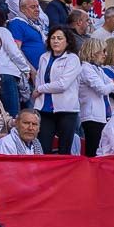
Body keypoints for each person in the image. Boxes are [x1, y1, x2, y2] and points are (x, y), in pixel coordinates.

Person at [78, 37, 114, 157]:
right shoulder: (85, 69)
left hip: (102, 116)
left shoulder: (97, 69)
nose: (105, 54)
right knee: (93, 152)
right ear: (94, 52)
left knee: (100, 152)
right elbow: (103, 90)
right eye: (103, 51)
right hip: (91, 116)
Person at [33, 25, 82, 154]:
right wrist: (39, 89)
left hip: (66, 109)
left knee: (64, 149)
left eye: (59, 38)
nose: (55, 41)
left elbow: (62, 85)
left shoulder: (73, 59)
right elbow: (39, 78)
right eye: (53, 38)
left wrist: (40, 89)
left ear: (67, 41)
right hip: (44, 109)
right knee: (43, 147)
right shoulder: (44, 57)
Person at [0, 8, 30, 117]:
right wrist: (26, 69)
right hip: (7, 74)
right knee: (12, 113)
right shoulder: (3, 31)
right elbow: (14, 52)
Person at [9, 0, 48, 75]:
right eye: (33, 7)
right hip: (30, 74)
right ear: (22, 9)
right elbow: (16, 51)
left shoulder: (36, 26)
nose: (37, 10)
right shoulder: (17, 23)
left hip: (42, 73)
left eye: (38, 6)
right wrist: (31, 70)